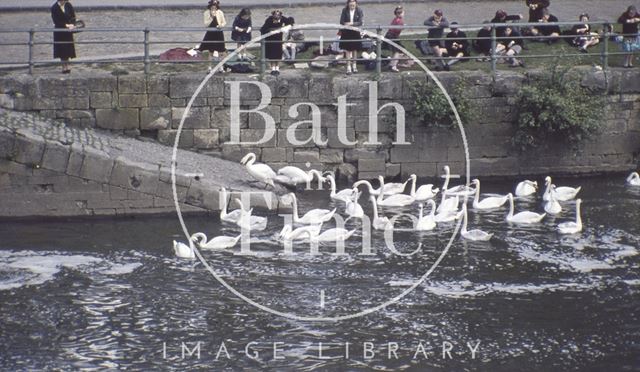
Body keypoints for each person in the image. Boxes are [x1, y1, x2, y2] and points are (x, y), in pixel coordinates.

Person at [260, 10, 294, 76]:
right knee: (272, 55)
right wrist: (272, 30)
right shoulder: (269, 20)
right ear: (273, 15)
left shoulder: (282, 18)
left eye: (278, 15)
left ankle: (277, 68)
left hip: (278, 39)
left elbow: (290, 21)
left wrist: (285, 27)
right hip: (270, 39)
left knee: (278, 54)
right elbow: (263, 29)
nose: (277, 16)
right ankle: (273, 69)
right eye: (275, 15)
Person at [51, 0, 77, 74]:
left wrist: (72, 24)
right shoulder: (54, 7)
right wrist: (66, 25)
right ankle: (64, 66)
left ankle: (67, 65)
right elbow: (56, 21)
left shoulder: (68, 5)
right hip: (60, 32)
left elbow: (73, 16)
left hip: (68, 32)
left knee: (68, 49)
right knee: (61, 49)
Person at [339, 0, 364, 75]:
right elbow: (341, 21)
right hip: (347, 32)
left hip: (355, 32)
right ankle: (348, 67)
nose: (352, 4)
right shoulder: (344, 10)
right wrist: (347, 24)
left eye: (353, 2)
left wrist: (351, 23)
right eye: (350, 2)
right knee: (347, 50)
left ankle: (354, 65)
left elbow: (360, 22)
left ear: (356, 3)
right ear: (348, 3)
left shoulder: (359, 10)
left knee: (355, 49)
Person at [383, 6, 406, 72]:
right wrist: (402, 27)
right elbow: (396, 29)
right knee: (398, 51)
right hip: (393, 36)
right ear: (400, 13)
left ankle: (391, 64)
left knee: (395, 51)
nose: (403, 14)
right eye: (403, 12)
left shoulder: (395, 19)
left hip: (389, 35)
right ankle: (393, 66)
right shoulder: (400, 21)